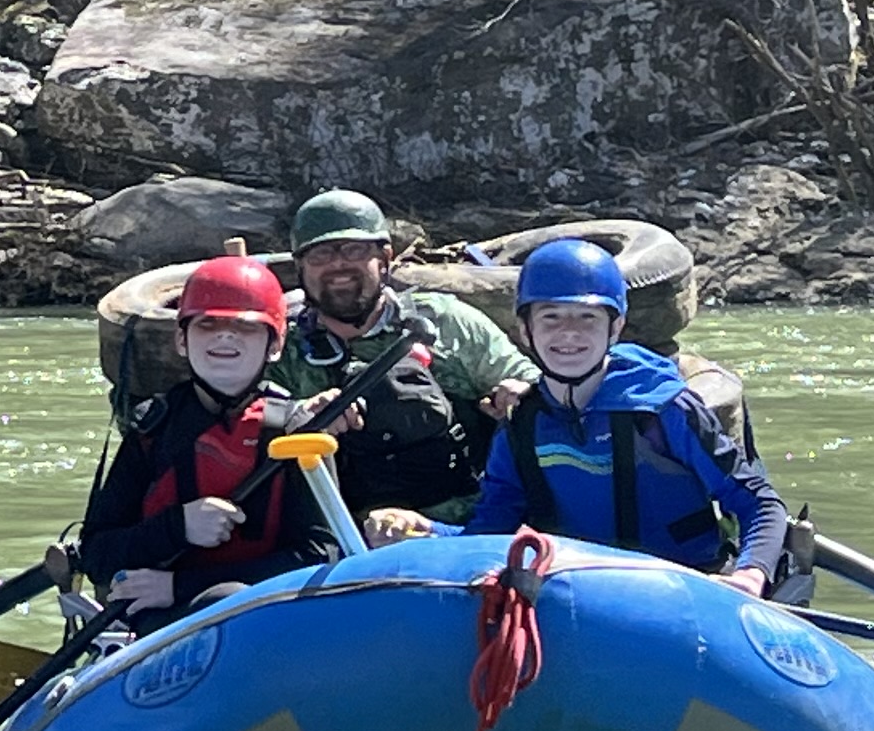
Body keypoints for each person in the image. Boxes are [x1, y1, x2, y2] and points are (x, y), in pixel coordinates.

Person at [466, 236, 784, 595]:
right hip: (578, 593)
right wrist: (420, 529)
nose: (569, 332)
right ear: (525, 331)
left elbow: (758, 502)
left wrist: (750, 574)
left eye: (588, 317)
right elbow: (487, 530)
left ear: (614, 328)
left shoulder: (665, 411)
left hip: (685, 588)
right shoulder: (522, 422)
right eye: (550, 317)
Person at [78, 255, 345, 623]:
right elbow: (96, 554)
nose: (225, 336)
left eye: (246, 327)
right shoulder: (153, 429)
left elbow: (324, 556)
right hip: (165, 621)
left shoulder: (297, 431)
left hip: (267, 614)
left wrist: (182, 584)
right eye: (208, 325)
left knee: (227, 597)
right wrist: (177, 527)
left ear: (275, 344)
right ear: (182, 339)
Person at [276, 188, 533, 543]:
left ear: (385, 257)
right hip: (350, 543)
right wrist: (300, 416)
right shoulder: (283, 353)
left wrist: (518, 395)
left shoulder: (447, 321)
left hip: (467, 533)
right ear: (300, 268)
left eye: (354, 250)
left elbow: (533, 388)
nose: (338, 265)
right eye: (320, 254)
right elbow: (247, 430)